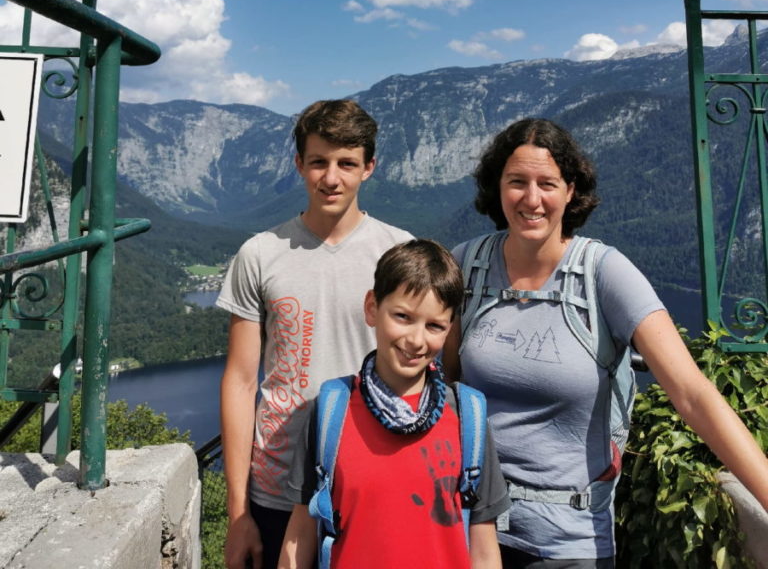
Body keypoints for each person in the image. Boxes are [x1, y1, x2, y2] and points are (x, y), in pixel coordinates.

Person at [443, 117, 768, 568]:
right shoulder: (468, 265)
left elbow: (692, 394)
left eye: (547, 183)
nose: (531, 199)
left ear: (571, 190)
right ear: (497, 187)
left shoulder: (603, 273)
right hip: (466, 528)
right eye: (517, 182)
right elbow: (439, 385)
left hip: (564, 541)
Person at [217, 99, 412, 569]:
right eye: (319, 162)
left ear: (369, 168)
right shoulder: (260, 254)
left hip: (369, 479)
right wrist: (238, 511)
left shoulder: (400, 253)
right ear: (299, 164)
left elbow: (426, 371)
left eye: (347, 163)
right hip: (275, 487)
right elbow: (241, 382)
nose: (331, 178)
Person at [278, 239, 510, 569]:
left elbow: (484, 549)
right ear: (372, 308)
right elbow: (300, 534)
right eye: (402, 316)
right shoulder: (332, 412)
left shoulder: (467, 417)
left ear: (449, 329)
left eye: (434, 326)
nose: (416, 340)